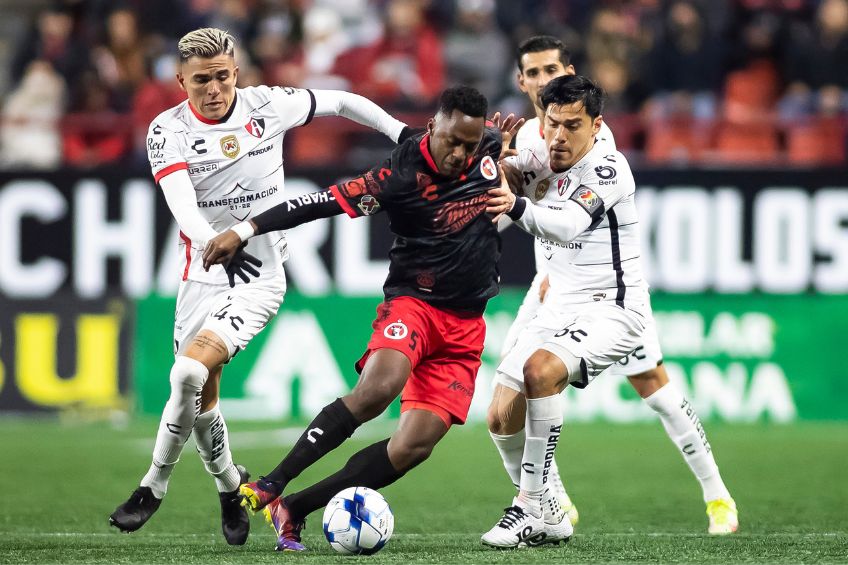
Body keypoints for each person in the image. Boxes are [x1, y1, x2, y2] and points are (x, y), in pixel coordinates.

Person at [108, 27, 411, 545]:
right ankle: (231, 486)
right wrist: (220, 242)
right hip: (204, 268)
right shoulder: (167, 131)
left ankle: (152, 486)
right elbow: (185, 211)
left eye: (223, 76)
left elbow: (340, 100)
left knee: (187, 372)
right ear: (182, 80)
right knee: (198, 392)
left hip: (260, 276)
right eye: (201, 80)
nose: (214, 89)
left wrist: (402, 133)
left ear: (236, 73)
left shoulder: (267, 106)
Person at [201, 86, 518, 552]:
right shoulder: (398, 177)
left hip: (466, 324)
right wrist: (244, 229)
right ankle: (273, 480)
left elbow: (509, 156)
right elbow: (315, 204)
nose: (461, 154)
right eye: (453, 141)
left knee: (414, 446)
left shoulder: (486, 145)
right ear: (432, 126)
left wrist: (504, 153)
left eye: (471, 145)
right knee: (377, 390)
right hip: (414, 304)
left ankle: (293, 507)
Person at [487, 37, 738, 541]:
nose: (541, 83)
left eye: (550, 71)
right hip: (552, 293)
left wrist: (509, 199)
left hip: (614, 301)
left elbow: (560, 223)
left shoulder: (606, 163)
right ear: (524, 85)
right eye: (533, 75)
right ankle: (551, 500)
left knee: (656, 392)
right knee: (499, 414)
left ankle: (716, 495)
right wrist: (500, 168)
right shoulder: (531, 141)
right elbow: (502, 203)